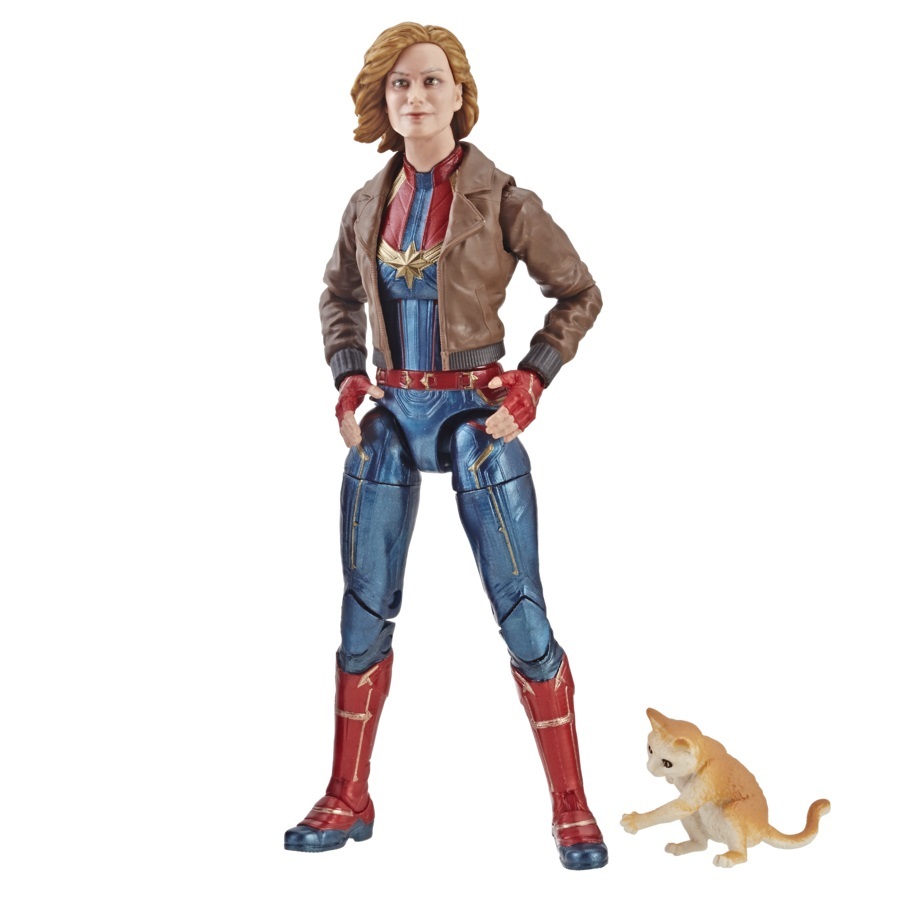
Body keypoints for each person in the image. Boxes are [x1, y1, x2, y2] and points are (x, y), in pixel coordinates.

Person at [284, 22, 607, 870]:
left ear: (460, 93)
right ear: (382, 101)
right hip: (392, 416)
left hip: (475, 417)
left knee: (522, 613)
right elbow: (337, 296)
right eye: (400, 84)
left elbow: (578, 293)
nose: (416, 96)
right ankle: (347, 792)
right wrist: (348, 376)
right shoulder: (367, 202)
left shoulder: (502, 200)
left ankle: (571, 803)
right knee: (362, 612)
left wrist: (532, 379)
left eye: (431, 80)